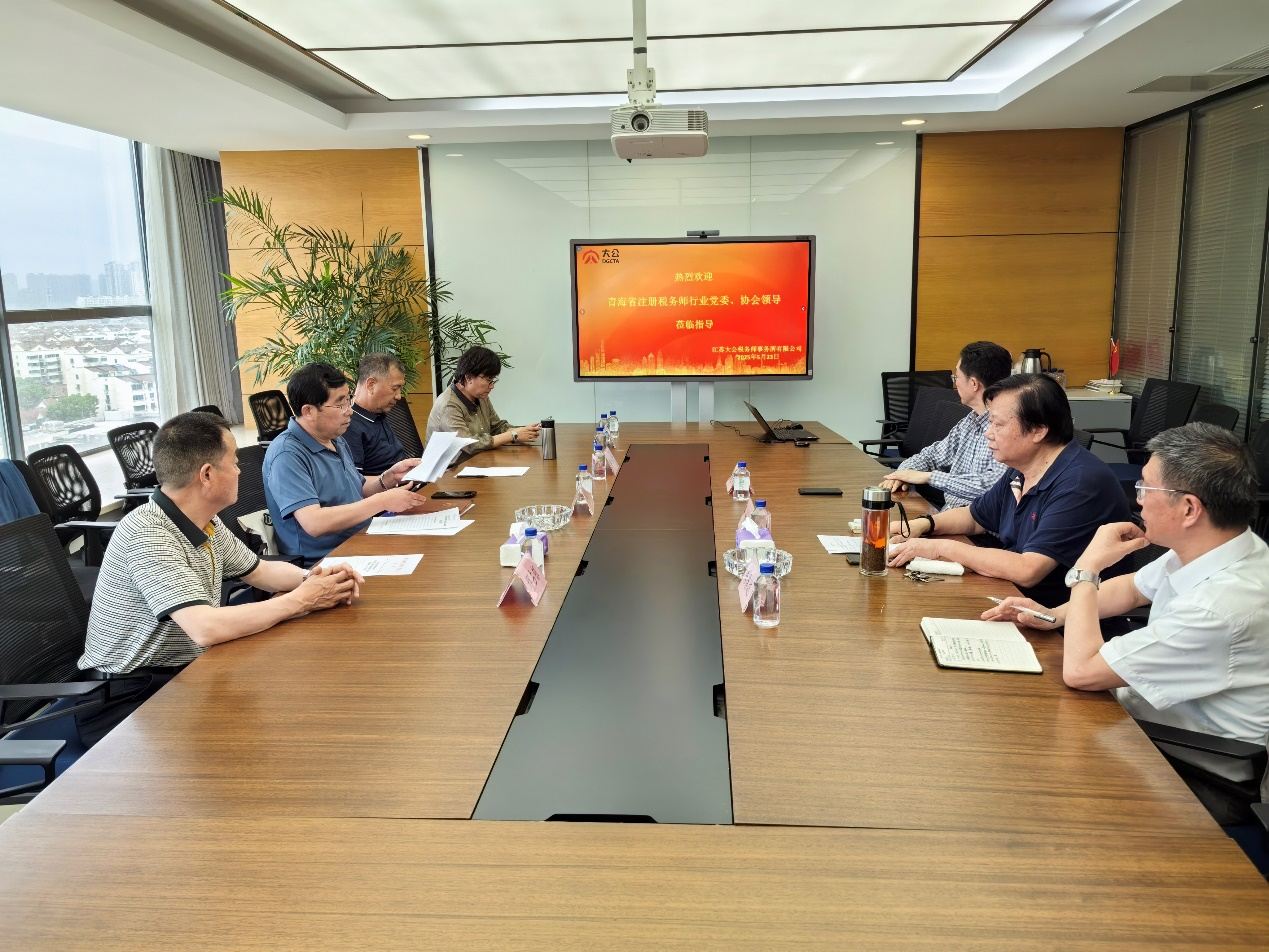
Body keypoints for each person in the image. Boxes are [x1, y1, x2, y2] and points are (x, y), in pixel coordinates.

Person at [984, 423, 1268, 822]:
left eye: (1145, 488)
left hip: (1189, 769)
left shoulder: (1219, 607)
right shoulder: (1224, 546)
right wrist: (1055, 615)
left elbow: (1080, 672)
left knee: (1018, 767)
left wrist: (1087, 568)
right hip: (1138, 721)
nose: (1137, 500)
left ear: (1189, 509)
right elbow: (1132, 589)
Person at [79, 410, 365, 679]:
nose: (240, 471)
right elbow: (204, 627)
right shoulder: (148, 534)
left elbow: (259, 572)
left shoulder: (204, 520)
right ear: (207, 475)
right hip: (135, 687)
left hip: (189, 667)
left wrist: (317, 579)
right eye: (234, 462)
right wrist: (302, 599)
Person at [888, 373, 1130, 605]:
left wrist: (940, 547)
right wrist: (923, 525)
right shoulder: (1022, 468)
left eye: (998, 424)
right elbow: (975, 517)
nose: (988, 433)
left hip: (1059, 621)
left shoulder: (1079, 483)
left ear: (1038, 430)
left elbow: (1028, 570)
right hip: (1012, 597)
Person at [264, 362, 425, 565]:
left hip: (361, 541)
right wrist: (382, 502)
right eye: (340, 404)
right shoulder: (287, 454)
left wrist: (389, 478)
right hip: (324, 561)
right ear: (309, 411)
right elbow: (314, 522)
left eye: (349, 400)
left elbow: (358, 489)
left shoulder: (334, 438)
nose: (350, 411)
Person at [880, 341, 1012, 510]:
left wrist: (929, 477)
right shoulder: (969, 422)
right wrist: (901, 475)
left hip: (976, 522)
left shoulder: (1006, 428)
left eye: (956, 377)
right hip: (947, 515)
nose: (955, 383)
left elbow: (994, 485)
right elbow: (931, 456)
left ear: (974, 383)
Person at [426, 346, 539, 461]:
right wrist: (513, 435)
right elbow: (469, 445)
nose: (492, 386)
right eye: (488, 380)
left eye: (493, 380)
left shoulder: (480, 396)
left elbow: (496, 427)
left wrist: (523, 430)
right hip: (450, 469)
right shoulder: (448, 405)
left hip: (478, 462)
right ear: (469, 377)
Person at [345, 352, 411, 477]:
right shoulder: (348, 424)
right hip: (387, 488)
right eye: (394, 388)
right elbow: (353, 482)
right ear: (371, 385)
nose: (398, 396)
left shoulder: (379, 413)